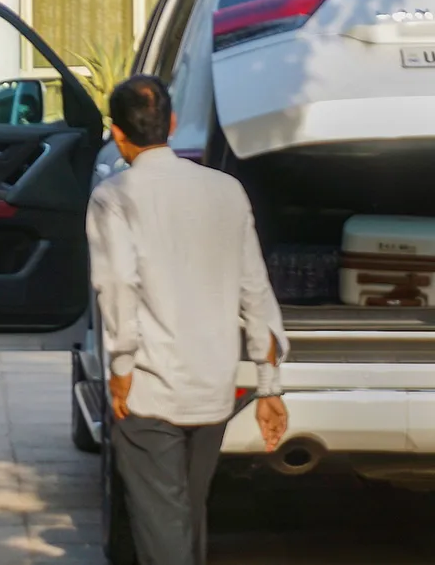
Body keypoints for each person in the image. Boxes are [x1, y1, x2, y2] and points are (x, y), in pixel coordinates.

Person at [86, 75, 291, 565]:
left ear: (117, 133)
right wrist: (269, 387)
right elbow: (255, 291)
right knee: (186, 514)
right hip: (213, 389)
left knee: (164, 524)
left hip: (150, 387)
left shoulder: (114, 196)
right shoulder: (227, 190)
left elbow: (117, 287)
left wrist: (119, 369)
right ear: (172, 124)